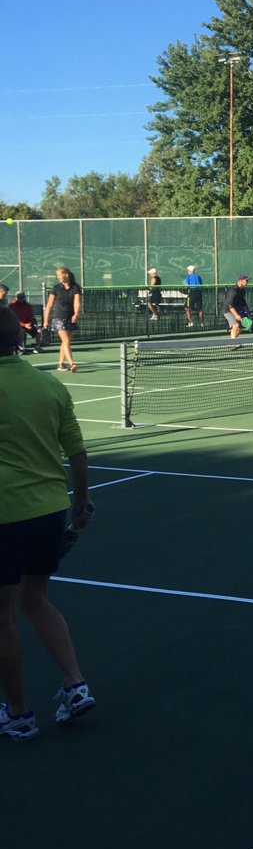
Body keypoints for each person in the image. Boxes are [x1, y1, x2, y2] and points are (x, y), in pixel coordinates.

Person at [0, 306, 95, 740]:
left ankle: (19, 715)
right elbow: (76, 449)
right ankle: (75, 685)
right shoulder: (47, 383)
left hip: (6, 517)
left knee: (4, 616)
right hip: (49, 513)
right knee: (35, 600)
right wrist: (82, 502)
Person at [42, 266, 82, 372]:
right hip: (58, 318)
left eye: (60, 275)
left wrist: (76, 314)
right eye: (57, 276)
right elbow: (49, 305)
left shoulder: (75, 288)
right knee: (66, 340)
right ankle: (72, 363)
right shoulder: (56, 288)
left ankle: (60, 365)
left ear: (66, 275)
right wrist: (46, 320)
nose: (58, 277)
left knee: (65, 342)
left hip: (70, 318)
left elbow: (77, 302)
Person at [223, 274, 250, 339]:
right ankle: (233, 344)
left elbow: (243, 303)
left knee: (239, 328)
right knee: (236, 325)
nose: (247, 281)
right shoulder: (233, 291)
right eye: (246, 280)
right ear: (240, 280)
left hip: (235, 311)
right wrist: (236, 315)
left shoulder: (242, 290)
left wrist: (248, 312)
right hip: (228, 311)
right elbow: (230, 305)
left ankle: (233, 341)